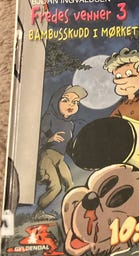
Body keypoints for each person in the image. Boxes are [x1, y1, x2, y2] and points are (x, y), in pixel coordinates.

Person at [35, 85, 88, 220]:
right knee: (56, 187)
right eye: (65, 100)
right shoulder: (49, 117)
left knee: (70, 183)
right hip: (47, 156)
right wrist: (50, 138)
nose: (71, 104)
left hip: (60, 158)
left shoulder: (70, 124)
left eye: (75, 102)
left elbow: (69, 146)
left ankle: (73, 211)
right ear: (56, 101)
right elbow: (37, 137)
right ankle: (38, 211)